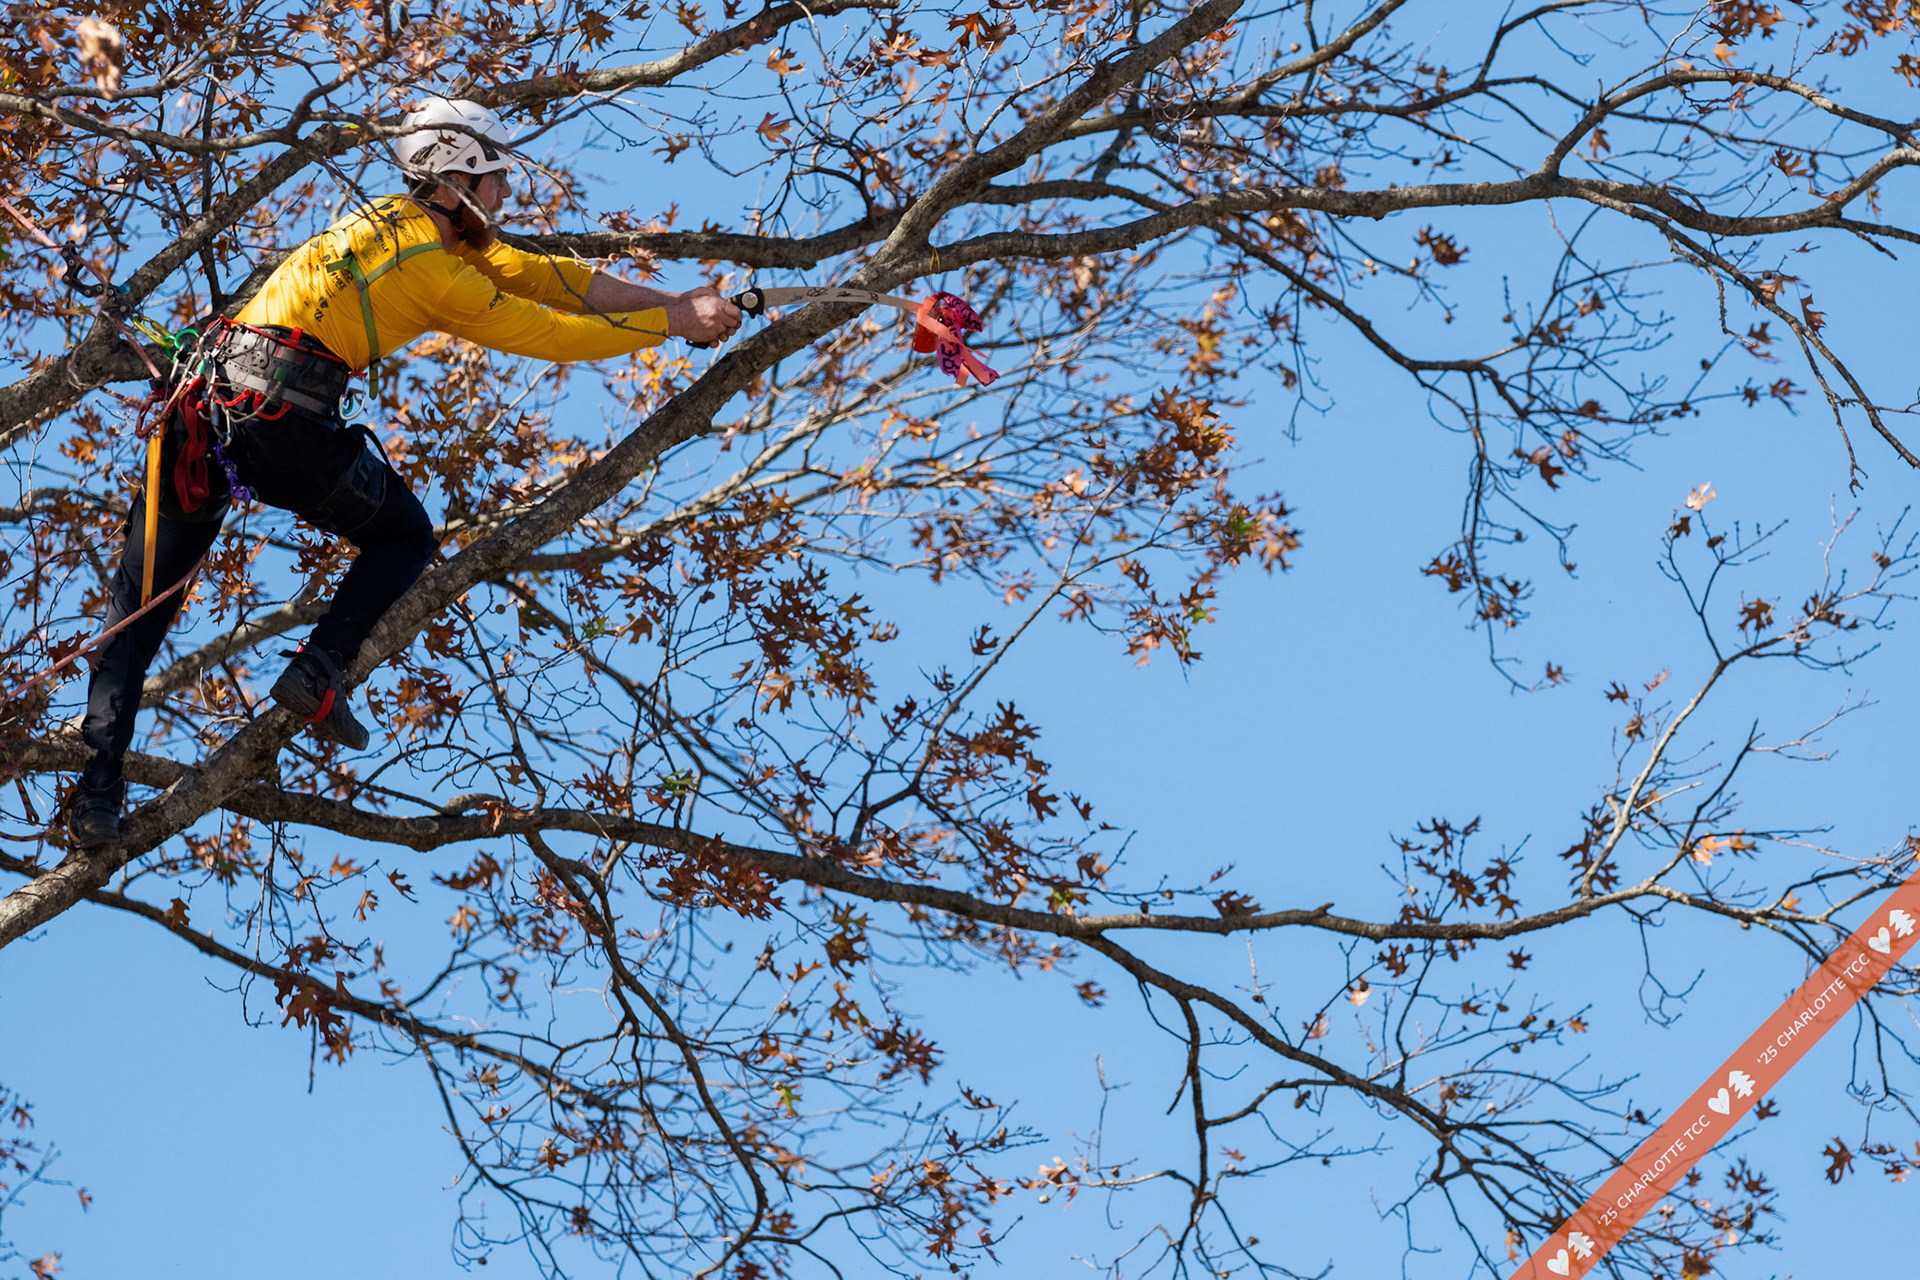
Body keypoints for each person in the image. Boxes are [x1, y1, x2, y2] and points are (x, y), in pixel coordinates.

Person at [67, 97, 742, 847]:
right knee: (406, 536)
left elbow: (555, 281)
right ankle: (319, 667)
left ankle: (96, 796)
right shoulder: (437, 272)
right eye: (496, 182)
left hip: (204, 412)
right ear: (456, 182)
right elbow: (552, 331)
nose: (506, 195)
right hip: (285, 425)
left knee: (137, 612)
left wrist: (676, 304)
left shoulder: (382, 222)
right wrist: (671, 326)